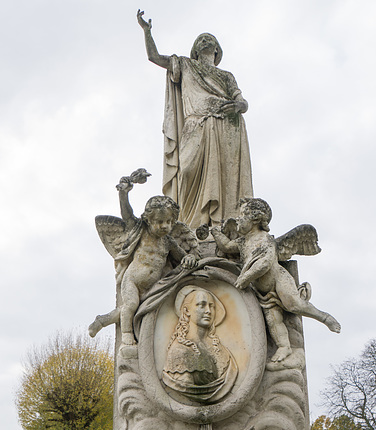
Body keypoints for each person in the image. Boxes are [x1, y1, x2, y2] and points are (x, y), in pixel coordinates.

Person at [137, 11, 253, 229]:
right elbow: (154, 57)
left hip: (226, 124)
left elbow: (242, 101)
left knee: (226, 176)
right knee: (188, 172)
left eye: (210, 39)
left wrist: (239, 105)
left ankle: (222, 224)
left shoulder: (227, 76)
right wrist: (147, 31)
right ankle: (190, 224)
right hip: (195, 123)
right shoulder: (185, 65)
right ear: (196, 50)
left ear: (217, 50)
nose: (205, 40)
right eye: (201, 39)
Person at [210, 198, 341, 365]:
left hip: (278, 281)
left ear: (255, 219)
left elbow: (265, 263)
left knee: (295, 305)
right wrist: (215, 233)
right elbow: (227, 246)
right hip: (262, 291)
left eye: (243, 214)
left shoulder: (265, 239)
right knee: (273, 321)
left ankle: (325, 318)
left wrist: (245, 277)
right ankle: (284, 346)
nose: (238, 218)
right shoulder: (243, 242)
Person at [88, 180, 198, 346]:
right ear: (148, 220)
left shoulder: (168, 241)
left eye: (168, 222)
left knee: (132, 309)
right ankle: (127, 334)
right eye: (159, 222)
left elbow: (182, 256)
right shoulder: (141, 230)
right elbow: (127, 215)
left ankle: (101, 320)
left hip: (154, 286)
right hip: (133, 281)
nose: (164, 226)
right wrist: (123, 194)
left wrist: (190, 258)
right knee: (131, 305)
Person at [162, 286, 238, 402]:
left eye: (211, 306)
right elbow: (184, 386)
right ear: (187, 311)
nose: (208, 311)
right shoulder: (180, 350)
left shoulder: (221, 350)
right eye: (201, 305)